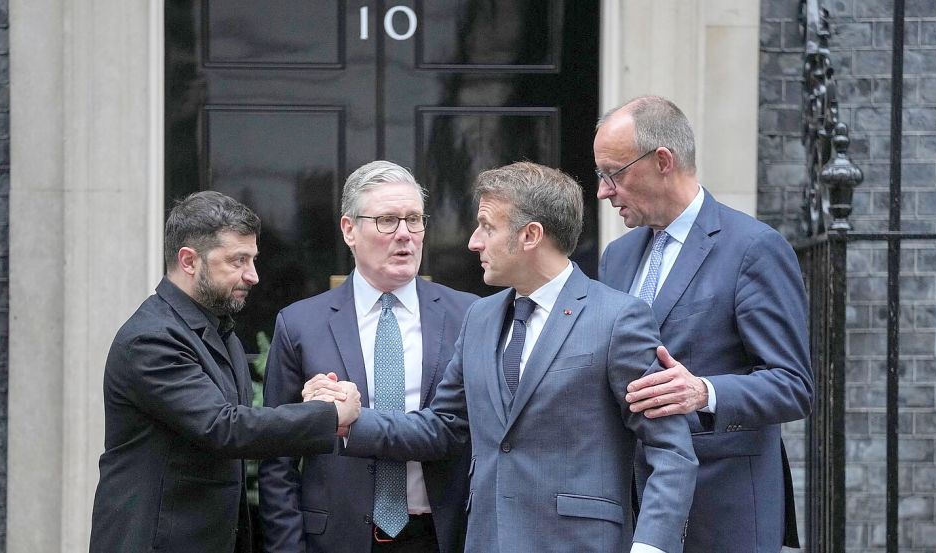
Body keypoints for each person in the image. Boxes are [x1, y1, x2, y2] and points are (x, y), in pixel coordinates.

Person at [320, 161, 697, 553]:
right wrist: (352, 421)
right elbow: (445, 426)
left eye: (487, 226)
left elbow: (671, 451)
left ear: (531, 235)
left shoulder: (617, 319)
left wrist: (651, 546)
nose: (473, 242)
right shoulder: (480, 318)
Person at [593, 95, 814, 552]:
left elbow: (793, 385)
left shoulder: (753, 248)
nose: (603, 191)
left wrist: (705, 392)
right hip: (630, 511)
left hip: (722, 510)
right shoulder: (617, 257)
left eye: (612, 174)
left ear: (662, 161)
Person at [89, 191, 361, 553]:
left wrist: (308, 402)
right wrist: (328, 415)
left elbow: (238, 421)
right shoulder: (151, 338)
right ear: (189, 261)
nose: (253, 275)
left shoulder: (218, 329)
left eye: (252, 260)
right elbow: (224, 428)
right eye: (238, 261)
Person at [258, 161, 478, 553]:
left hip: (444, 536)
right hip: (336, 539)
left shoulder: (470, 316)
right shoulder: (300, 324)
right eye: (387, 221)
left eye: (414, 220)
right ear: (349, 230)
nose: (405, 235)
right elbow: (278, 459)